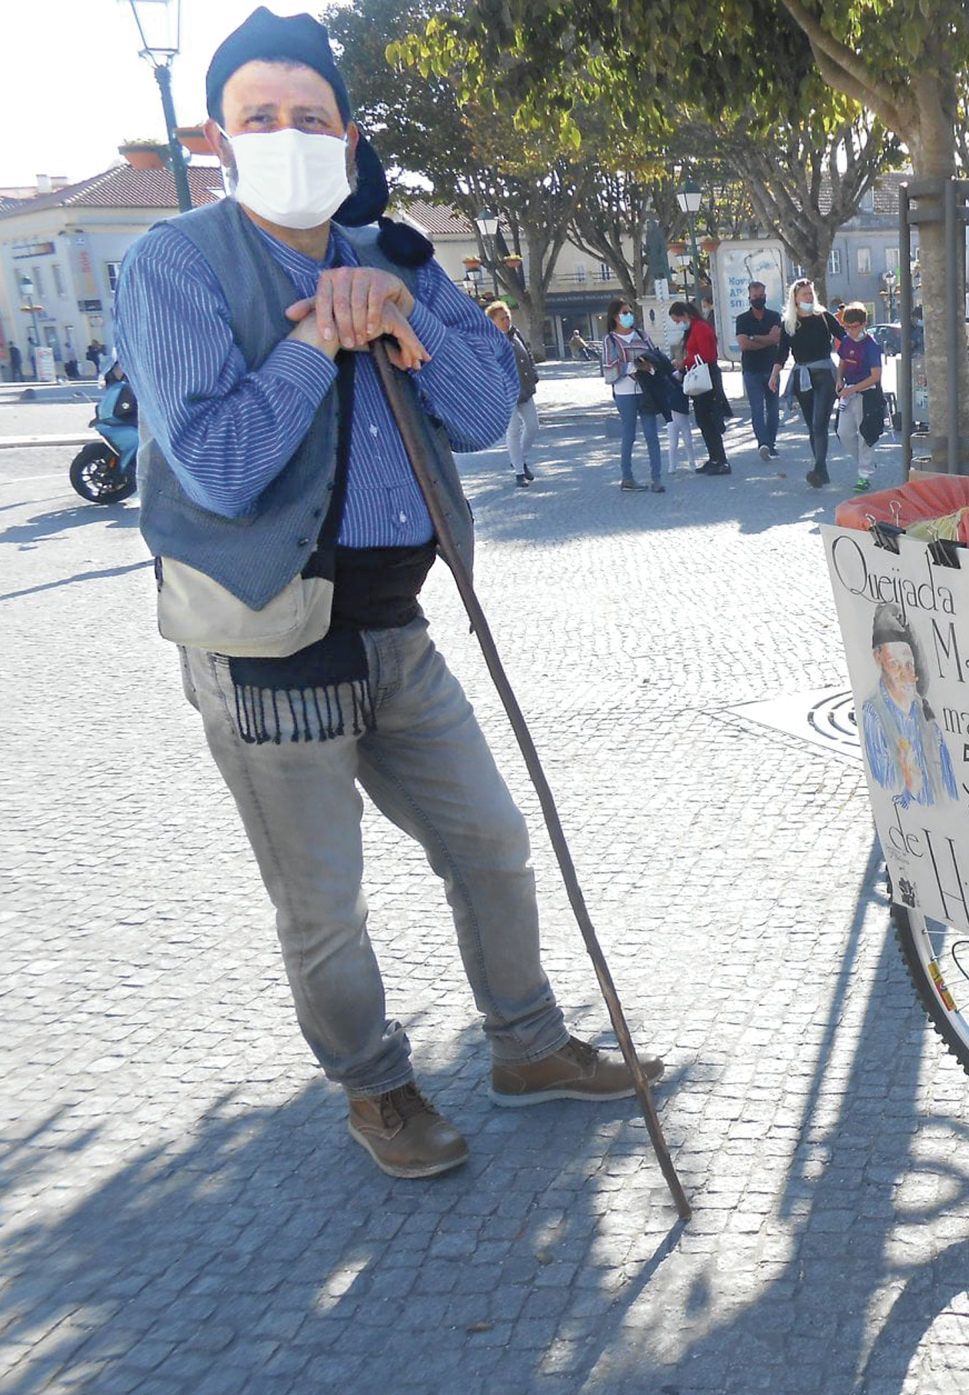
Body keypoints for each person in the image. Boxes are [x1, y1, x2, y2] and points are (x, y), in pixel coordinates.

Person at [112, 7, 661, 1181]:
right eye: (261, 117)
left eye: (310, 117)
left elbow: (477, 409)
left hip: (399, 629)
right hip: (270, 641)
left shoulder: (396, 256)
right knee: (326, 907)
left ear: (347, 133)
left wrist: (401, 321)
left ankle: (526, 1048)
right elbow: (216, 465)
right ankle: (377, 1090)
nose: (288, 134)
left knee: (494, 846)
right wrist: (315, 342)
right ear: (221, 138)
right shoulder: (174, 267)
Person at [861, 604, 956, 809]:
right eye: (894, 663)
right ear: (878, 660)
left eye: (909, 664)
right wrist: (909, 792)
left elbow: (949, 784)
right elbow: (886, 794)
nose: (905, 675)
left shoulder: (925, 714)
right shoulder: (874, 715)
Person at [775, 277, 838, 489]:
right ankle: (823, 471)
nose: (809, 297)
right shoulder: (789, 324)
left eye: (811, 293)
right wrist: (774, 375)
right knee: (812, 426)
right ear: (795, 298)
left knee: (820, 423)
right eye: (805, 294)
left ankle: (819, 469)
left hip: (824, 375)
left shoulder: (824, 317)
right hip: (803, 377)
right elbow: (782, 353)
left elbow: (844, 338)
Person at [602, 297, 663, 492]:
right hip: (625, 392)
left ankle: (657, 478)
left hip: (646, 390)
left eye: (630, 312)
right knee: (629, 435)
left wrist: (649, 366)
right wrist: (632, 367)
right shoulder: (610, 339)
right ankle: (627, 477)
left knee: (651, 434)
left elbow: (656, 357)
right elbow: (609, 367)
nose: (629, 316)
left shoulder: (642, 335)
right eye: (625, 313)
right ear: (615, 316)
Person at [670, 300, 729, 475]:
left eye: (677, 320)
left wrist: (684, 362)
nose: (678, 324)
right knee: (703, 420)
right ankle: (714, 458)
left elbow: (707, 355)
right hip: (701, 375)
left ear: (685, 315)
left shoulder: (701, 328)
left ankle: (720, 459)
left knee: (709, 419)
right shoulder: (695, 328)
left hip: (706, 376)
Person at [485, 301, 539, 488]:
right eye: (502, 318)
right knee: (513, 429)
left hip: (524, 388)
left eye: (507, 316)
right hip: (505, 393)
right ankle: (519, 472)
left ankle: (520, 459)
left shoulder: (515, 334)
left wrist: (534, 375)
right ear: (492, 321)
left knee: (533, 426)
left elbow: (528, 356)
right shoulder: (490, 340)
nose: (507, 321)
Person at [834, 303, 884, 492]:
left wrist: (854, 388)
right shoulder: (846, 341)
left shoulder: (871, 346)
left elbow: (875, 375)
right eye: (846, 326)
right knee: (843, 432)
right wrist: (839, 379)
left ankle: (864, 474)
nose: (850, 331)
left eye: (854, 326)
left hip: (866, 394)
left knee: (865, 435)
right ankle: (867, 463)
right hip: (849, 393)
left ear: (863, 324)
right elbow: (843, 362)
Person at [735, 281, 786, 460]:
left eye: (762, 295)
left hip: (772, 369)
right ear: (749, 298)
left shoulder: (774, 316)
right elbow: (743, 344)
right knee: (756, 409)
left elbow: (777, 339)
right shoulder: (742, 319)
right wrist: (767, 339)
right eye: (755, 296)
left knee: (773, 410)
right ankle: (763, 444)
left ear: (766, 296)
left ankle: (770, 445)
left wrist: (754, 338)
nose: (759, 299)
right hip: (751, 370)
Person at [661, 303, 697, 475]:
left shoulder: (679, 376)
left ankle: (686, 463)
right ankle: (675, 465)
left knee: (684, 440)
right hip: (677, 411)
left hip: (678, 410)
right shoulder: (672, 378)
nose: (678, 324)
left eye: (677, 321)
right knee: (676, 441)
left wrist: (681, 366)